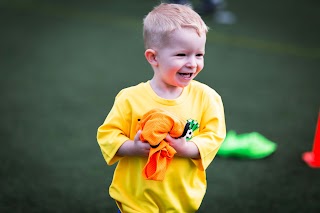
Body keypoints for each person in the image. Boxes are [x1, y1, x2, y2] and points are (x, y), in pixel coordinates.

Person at [96, 3, 226, 212]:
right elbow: (108, 135)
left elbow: (214, 136)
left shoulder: (207, 98)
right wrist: (133, 147)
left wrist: (186, 148)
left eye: (198, 55)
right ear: (153, 57)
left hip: (181, 198)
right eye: (182, 55)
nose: (192, 63)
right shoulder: (130, 98)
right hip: (136, 196)